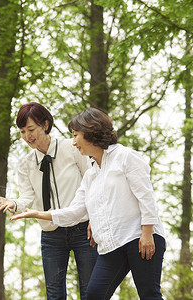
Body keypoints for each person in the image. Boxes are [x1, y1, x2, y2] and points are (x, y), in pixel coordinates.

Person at [10, 108, 167, 299]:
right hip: (113, 245)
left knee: (149, 294)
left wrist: (148, 232)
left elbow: (146, 197)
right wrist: (38, 214)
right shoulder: (92, 174)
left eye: (76, 135)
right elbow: (75, 210)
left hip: (139, 237)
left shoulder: (126, 157)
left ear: (91, 132)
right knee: (94, 295)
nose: (73, 142)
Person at [0, 102, 98, 300]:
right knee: (54, 293)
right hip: (51, 234)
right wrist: (14, 204)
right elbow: (27, 197)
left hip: (83, 228)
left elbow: (92, 183)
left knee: (90, 291)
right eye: (22, 131)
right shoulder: (25, 164)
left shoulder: (73, 148)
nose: (27, 136)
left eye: (31, 129)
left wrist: (95, 219)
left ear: (45, 124)